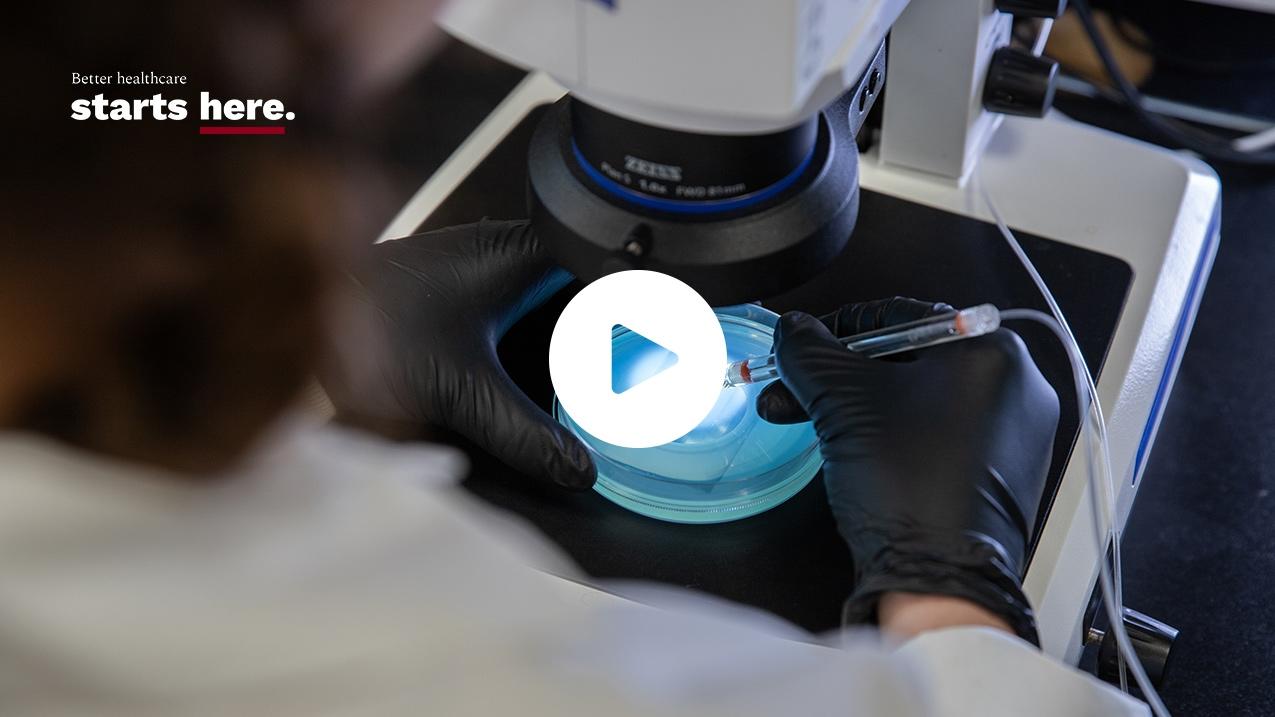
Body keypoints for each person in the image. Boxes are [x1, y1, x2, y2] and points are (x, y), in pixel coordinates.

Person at [1, 2, 1146, 715]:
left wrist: (309, 356)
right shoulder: (421, 665)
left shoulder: (122, 90)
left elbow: (115, 101)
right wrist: (953, 593)